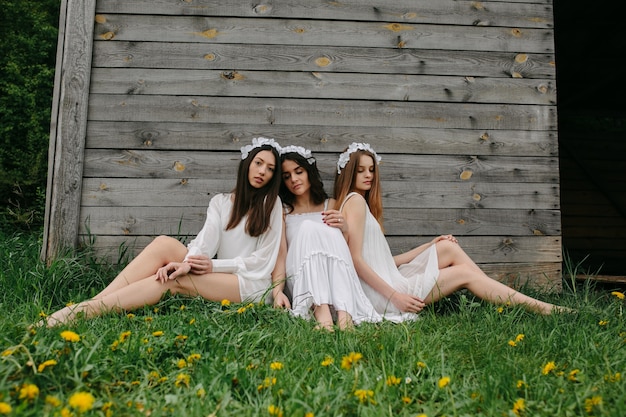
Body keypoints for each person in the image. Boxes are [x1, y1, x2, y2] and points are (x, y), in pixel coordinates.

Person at [41, 137, 285, 327]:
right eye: (258, 163)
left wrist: (212, 267)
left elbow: (262, 262)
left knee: (173, 281)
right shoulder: (221, 202)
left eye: (270, 169)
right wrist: (188, 263)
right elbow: (204, 243)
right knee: (163, 244)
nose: (263, 171)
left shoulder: (271, 205)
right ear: (247, 164)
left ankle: (87, 311)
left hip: (251, 286)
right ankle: (91, 303)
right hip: (222, 274)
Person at [333, 142, 568, 321]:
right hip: (385, 294)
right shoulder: (354, 201)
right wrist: (396, 297)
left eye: (372, 170)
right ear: (348, 173)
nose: (369, 176)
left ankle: (500, 296)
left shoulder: (357, 203)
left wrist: (430, 245)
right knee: (463, 273)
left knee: (446, 246)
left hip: (388, 278)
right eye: (361, 170)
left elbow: (383, 261)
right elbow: (355, 261)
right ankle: (545, 309)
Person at [271, 145, 381, 330]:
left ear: (309, 172)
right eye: (287, 176)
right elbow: (281, 254)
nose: (294, 179)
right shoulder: (283, 210)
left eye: (299, 172)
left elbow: (343, 250)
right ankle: (322, 315)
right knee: (308, 228)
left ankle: (345, 315)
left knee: (328, 232)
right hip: (300, 274)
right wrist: (276, 292)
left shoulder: (331, 204)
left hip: (333, 275)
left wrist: (345, 229)